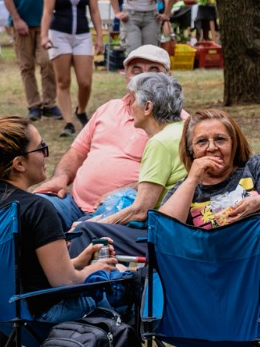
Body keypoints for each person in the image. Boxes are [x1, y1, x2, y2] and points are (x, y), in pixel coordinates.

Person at [0, 116, 120, 347]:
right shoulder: (36, 208)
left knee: (94, 277)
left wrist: (79, 262)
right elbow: (64, 283)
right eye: (41, 148)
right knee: (123, 289)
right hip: (42, 320)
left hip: (3, 315)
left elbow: (22, 270)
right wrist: (97, 270)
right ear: (19, 163)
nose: (47, 155)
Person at [33, 45, 174, 226]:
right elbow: (76, 152)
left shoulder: (176, 122)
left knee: (83, 233)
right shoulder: (109, 108)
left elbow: (174, 179)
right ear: (127, 77)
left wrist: (125, 190)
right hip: (73, 204)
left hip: (120, 211)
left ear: (168, 77)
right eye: (136, 70)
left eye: (153, 70)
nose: (143, 76)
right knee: (32, 210)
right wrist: (61, 177)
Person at [79, 70, 185, 230]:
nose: (129, 104)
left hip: (164, 230)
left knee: (83, 233)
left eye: (133, 100)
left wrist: (90, 226)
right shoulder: (182, 130)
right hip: (178, 224)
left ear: (148, 107)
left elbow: (141, 211)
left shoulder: (160, 142)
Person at [157, 109, 260, 229]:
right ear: (192, 151)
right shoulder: (186, 187)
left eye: (220, 139)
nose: (212, 147)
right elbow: (163, 226)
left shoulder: (253, 166)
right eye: (202, 141)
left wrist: (257, 202)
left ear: (234, 144)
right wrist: (192, 179)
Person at [40, 0, 104, 137]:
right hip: (59, 34)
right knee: (63, 80)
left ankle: (81, 110)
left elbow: (94, 11)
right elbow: (47, 11)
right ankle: (68, 122)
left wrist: (99, 36)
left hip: (83, 35)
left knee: (85, 81)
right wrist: (44, 35)